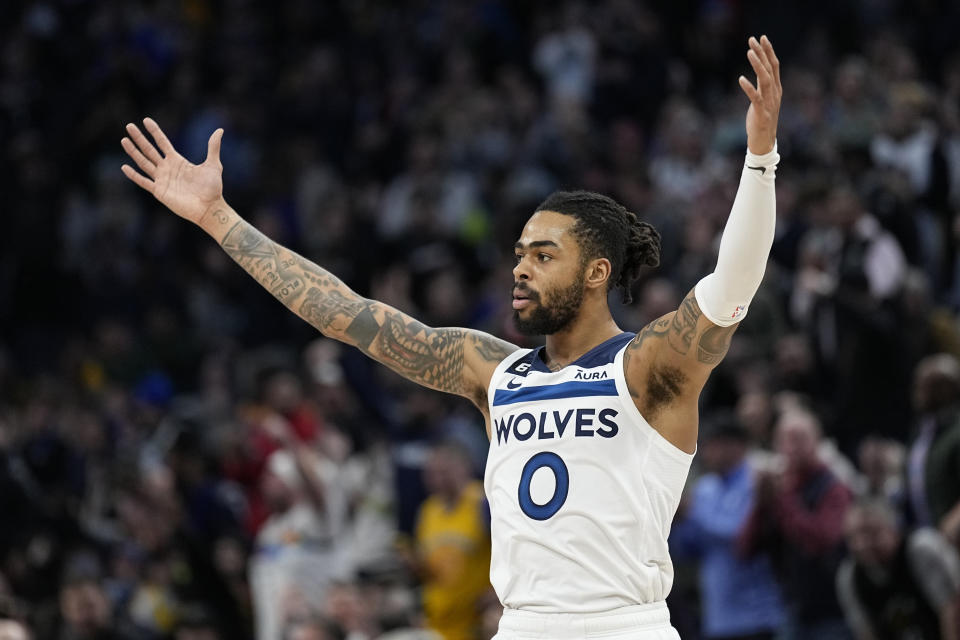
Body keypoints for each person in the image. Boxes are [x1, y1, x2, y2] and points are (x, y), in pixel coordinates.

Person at [120, 35, 783, 640]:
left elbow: (734, 283)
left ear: (597, 273)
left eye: (544, 255)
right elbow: (342, 313)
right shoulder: (491, 369)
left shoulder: (648, 369)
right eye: (520, 252)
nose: (521, 267)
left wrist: (760, 158)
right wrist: (218, 218)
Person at [739, 407, 853, 640]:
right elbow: (744, 549)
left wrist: (782, 498)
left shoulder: (833, 488)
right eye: (785, 439)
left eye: (800, 438)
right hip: (792, 610)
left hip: (832, 612)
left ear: (817, 441)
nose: (792, 446)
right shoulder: (780, 489)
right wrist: (761, 503)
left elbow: (820, 542)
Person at [670, 415, 785, 640]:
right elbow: (686, 550)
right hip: (717, 618)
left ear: (735, 445)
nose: (706, 451)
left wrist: (692, 513)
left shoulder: (758, 481)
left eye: (712, 444)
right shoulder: (704, 488)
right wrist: (675, 521)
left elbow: (741, 533)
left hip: (758, 615)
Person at [836, 498, 960, 640]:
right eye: (853, 538)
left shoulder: (921, 549)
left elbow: (950, 610)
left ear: (892, 527)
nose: (862, 544)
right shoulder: (850, 577)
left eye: (870, 532)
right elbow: (865, 632)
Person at [414, 442, 492, 640]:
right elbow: (430, 566)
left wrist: (497, 595)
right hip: (437, 620)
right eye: (432, 473)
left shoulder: (483, 503)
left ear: (463, 468)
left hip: (476, 621)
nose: (437, 479)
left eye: (444, 471)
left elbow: (510, 553)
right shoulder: (428, 510)